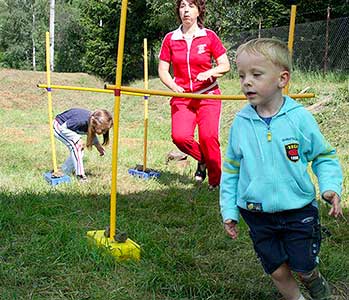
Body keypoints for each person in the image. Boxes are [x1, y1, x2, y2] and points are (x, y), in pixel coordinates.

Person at [220, 38, 343, 300]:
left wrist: (330, 187)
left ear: (282, 79)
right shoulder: (240, 123)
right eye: (241, 75)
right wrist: (229, 210)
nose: (246, 82)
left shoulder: (299, 119)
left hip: (298, 209)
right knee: (276, 269)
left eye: (256, 74)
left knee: (303, 266)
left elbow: (324, 155)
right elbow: (231, 170)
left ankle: (312, 278)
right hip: (256, 212)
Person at [158, 0, 230, 189]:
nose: (186, 10)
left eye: (191, 6)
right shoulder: (170, 39)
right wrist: (173, 85)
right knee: (180, 137)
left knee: (208, 138)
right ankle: (204, 160)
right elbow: (163, 70)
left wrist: (210, 73)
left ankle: (216, 182)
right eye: (182, 6)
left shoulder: (209, 36)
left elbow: (225, 65)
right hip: (182, 96)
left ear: (199, 11)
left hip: (208, 94)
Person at [53, 108, 113, 181]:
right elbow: (63, 127)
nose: (104, 133)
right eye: (103, 130)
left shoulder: (91, 122)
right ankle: (81, 176)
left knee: (79, 151)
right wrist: (77, 138)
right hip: (59, 126)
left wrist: (98, 146)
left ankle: (65, 171)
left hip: (66, 128)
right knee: (77, 146)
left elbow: (91, 133)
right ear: (95, 123)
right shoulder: (80, 121)